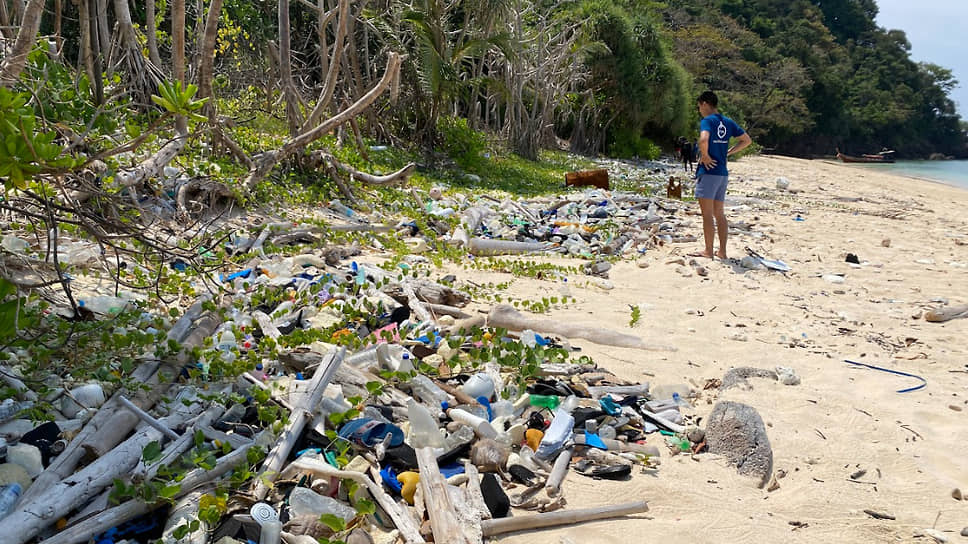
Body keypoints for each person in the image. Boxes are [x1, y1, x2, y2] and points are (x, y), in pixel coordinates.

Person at [691, 90, 752, 259]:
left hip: (709, 171)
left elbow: (703, 140)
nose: (699, 110)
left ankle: (708, 251)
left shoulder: (707, 121)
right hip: (722, 173)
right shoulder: (727, 122)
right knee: (720, 213)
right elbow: (746, 140)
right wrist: (729, 153)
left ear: (704, 104)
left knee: (707, 214)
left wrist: (705, 156)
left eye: (699, 107)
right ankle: (722, 252)